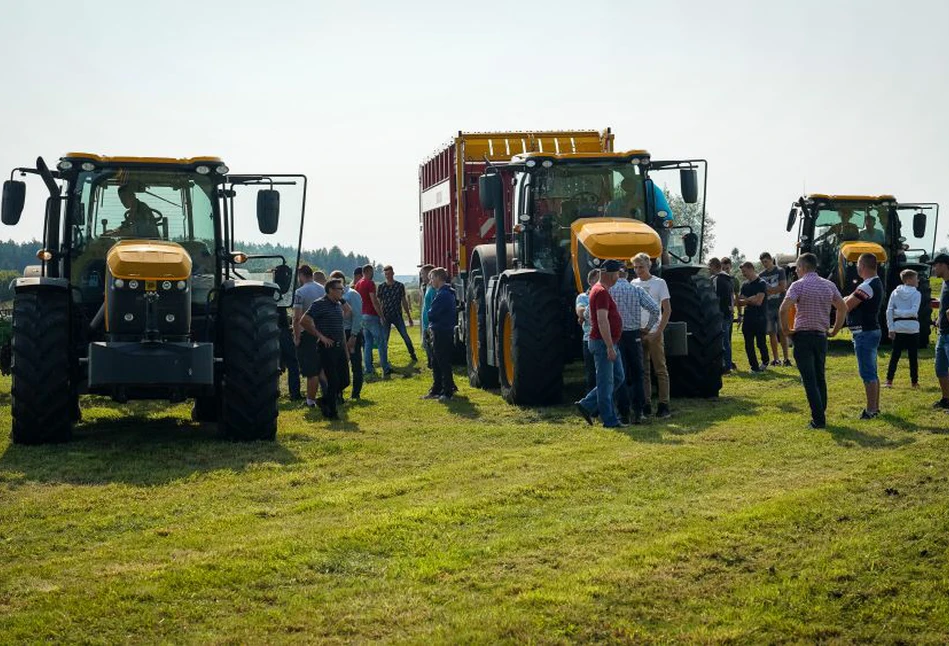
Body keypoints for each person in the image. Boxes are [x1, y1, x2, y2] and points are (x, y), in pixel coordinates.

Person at [778, 253, 847, 429]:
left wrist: (786, 330)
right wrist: (835, 329)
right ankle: (820, 411)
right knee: (820, 376)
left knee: (809, 379)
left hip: (803, 336)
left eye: (797, 269)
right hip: (821, 335)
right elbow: (842, 307)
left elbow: (783, 309)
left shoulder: (798, 285)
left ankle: (818, 419)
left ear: (802, 267)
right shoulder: (828, 285)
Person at [575, 260, 628, 429]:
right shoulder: (601, 292)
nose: (618, 278)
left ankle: (587, 404)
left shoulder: (600, 290)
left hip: (607, 342)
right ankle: (610, 420)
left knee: (617, 377)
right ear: (611, 274)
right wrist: (609, 346)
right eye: (618, 274)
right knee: (606, 383)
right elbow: (602, 320)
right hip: (603, 342)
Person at [610, 265, 660, 425]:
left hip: (616, 335)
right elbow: (654, 309)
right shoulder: (636, 290)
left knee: (620, 374)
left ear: (616, 274)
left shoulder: (609, 291)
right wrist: (647, 328)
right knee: (638, 374)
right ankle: (638, 412)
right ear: (627, 274)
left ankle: (623, 413)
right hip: (634, 335)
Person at [299, 279, 348, 419]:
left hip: (339, 347)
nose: (342, 291)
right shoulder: (319, 304)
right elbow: (303, 321)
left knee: (345, 381)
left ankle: (324, 400)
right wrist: (321, 336)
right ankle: (332, 413)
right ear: (331, 290)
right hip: (327, 348)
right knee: (333, 381)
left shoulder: (338, 304)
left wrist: (345, 348)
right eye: (339, 289)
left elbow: (346, 317)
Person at [630, 253, 672, 418]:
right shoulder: (633, 283)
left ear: (649, 266)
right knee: (643, 370)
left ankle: (664, 404)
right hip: (639, 331)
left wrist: (659, 331)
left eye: (641, 267)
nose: (638, 270)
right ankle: (645, 403)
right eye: (635, 267)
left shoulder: (659, 283)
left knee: (660, 369)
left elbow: (667, 309)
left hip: (654, 330)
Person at [844, 253, 884, 418]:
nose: (856, 268)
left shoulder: (867, 286)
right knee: (872, 372)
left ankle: (871, 410)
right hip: (870, 331)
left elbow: (847, 304)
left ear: (863, 266)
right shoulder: (872, 283)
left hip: (864, 333)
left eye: (858, 264)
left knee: (867, 373)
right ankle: (875, 407)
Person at [292, 265, 326, 408]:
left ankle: (310, 401)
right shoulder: (323, 289)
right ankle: (330, 395)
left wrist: (297, 336)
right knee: (323, 368)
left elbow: (296, 317)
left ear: (301, 275)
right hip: (324, 332)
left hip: (308, 333)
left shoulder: (300, 292)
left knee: (311, 371)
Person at [423, 267, 457, 401]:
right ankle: (438, 389)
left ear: (438, 278)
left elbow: (432, 313)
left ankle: (447, 392)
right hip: (444, 330)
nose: (431, 281)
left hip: (440, 331)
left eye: (432, 278)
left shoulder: (442, 295)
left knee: (442, 362)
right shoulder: (447, 292)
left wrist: (430, 313)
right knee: (437, 362)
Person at [885, 269, 921, 389]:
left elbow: (889, 311)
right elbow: (913, 311)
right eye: (916, 278)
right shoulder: (917, 294)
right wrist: (905, 313)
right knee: (913, 356)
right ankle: (914, 382)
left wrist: (891, 327)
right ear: (909, 280)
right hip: (912, 328)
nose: (918, 281)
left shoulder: (895, 292)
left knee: (895, 355)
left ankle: (889, 381)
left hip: (898, 327)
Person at [331, 270, 364, 401]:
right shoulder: (332, 296)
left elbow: (357, 316)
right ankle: (339, 393)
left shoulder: (352, 295)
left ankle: (356, 393)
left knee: (355, 363)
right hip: (338, 333)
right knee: (339, 364)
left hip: (351, 331)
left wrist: (354, 336)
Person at [355, 265, 392, 377]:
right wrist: (381, 316)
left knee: (368, 343)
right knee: (381, 342)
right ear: (369, 271)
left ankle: (368, 368)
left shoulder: (358, 284)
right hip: (372, 315)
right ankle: (385, 368)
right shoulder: (370, 283)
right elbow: (374, 300)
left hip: (363, 316)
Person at [378, 265, 418, 362]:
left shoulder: (399, 286)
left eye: (389, 274)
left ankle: (412, 353)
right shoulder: (381, 287)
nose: (388, 276)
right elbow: (379, 303)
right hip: (385, 316)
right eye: (386, 274)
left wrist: (409, 316)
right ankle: (384, 358)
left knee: (405, 335)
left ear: (393, 273)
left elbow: (404, 301)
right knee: (384, 339)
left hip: (397, 315)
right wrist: (379, 316)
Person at [736, 261, 770, 372]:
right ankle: (754, 367)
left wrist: (746, 300)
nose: (743, 274)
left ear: (751, 269)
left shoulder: (761, 283)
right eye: (742, 272)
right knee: (748, 345)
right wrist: (750, 299)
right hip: (748, 318)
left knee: (761, 343)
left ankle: (765, 361)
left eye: (744, 271)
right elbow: (739, 302)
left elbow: (759, 302)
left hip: (760, 318)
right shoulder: (745, 285)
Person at [759, 252, 791, 366]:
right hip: (768, 307)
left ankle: (786, 358)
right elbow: (762, 291)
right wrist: (773, 289)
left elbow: (783, 288)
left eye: (766, 262)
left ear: (771, 260)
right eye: (762, 262)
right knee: (772, 333)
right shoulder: (761, 275)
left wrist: (770, 290)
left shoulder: (780, 271)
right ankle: (776, 359)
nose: (764, 264)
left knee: (782, 332)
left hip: (780, 305)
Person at [575, 269, 601, 391]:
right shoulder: (582, 297)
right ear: (591, 282)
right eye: (598, 279)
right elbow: (580, 311)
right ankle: (591, 404)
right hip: (589, 338)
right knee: (591, 374)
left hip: (606, 339)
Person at [929, 254, 949, 409]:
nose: (934, 268)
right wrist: (939, 320)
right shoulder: (944, 283)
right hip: (942, 333)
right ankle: (946, 399)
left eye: (935, 265)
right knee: (940, 369)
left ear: (943, 265)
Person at [709, 258, 734, 374]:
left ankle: (726, 365)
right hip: (728, 313)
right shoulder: (728, 279)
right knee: (726, 341)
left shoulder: (717, 279)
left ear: (714, 266)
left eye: (710, 266)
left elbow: (715, 298)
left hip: (720, 314)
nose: (709, 269)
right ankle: (727, 364)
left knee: (722, 342)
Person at [277, 305, 301, 400]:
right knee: (292, 363)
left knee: (274, 364)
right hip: (283, 330)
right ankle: (294, 393)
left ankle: (275, 391)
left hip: (278, 329)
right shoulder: (281, 301)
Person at [721, 257, 740, 370]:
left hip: (730, 312)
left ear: (730, 267)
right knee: (723, 339)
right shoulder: (718, 279)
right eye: (723, 268)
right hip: (722, 311)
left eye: (727, 268)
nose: (725, 270)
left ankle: (728, 361)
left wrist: (739, 313)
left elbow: (736, 297)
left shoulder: (734, 280)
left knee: (728, 339)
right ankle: (725, 361)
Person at [419, 264, 435, 366]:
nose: (422, 277)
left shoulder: (433, 289)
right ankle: (431, 363)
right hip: (426, 323)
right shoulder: (427, 287)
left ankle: (433, 365)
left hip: (430, 323)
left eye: (423, 274)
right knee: (427, 345)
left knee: (431, 347)